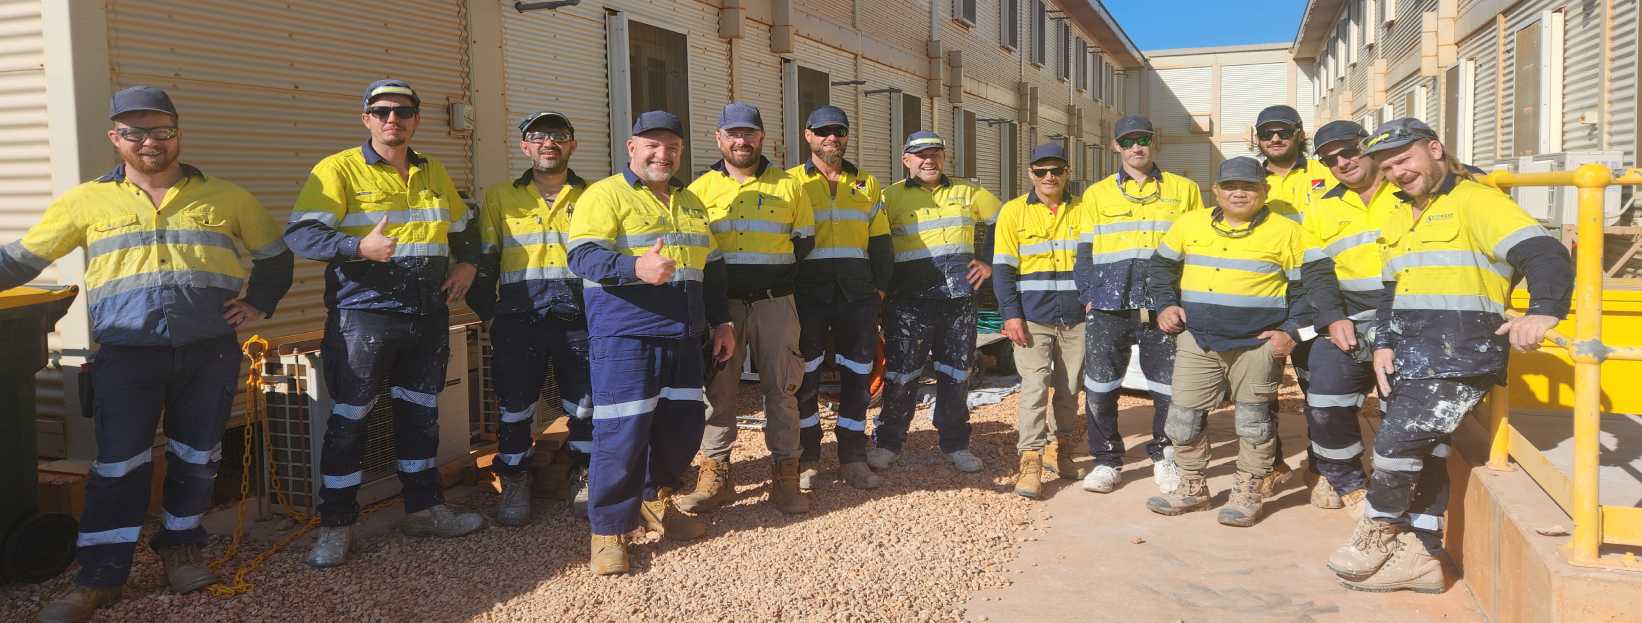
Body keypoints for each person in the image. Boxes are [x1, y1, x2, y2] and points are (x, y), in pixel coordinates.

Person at [0, 86, 293, 623]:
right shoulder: (85, 201)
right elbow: (19, 261)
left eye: (161, 129)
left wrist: (258, 304)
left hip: (208, 353)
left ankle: (181, 551)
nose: (150, 141)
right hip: (127, 357)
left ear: (179, 132)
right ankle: (99, 578)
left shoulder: (229, 198)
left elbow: (276, 258)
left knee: (197, 457)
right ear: (115, 139)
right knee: (117, 465)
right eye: (135, 132)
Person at [1328, 119, 1571, 593]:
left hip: (1461, 352)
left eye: (1404, 159)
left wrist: (1543, 312)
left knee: (1395, 445)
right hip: (1411, 352)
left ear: (1435, 148)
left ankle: (1377, 529)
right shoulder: (1401, 214)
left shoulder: (1476, 201)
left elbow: (1546, 253)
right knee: (1429, 451)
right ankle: (1421, 555)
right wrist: (1383, 342)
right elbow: (1393, 288)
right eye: (1387, 166)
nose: (1397, 172)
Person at [285, 79, 484, 568]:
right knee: (350, 421)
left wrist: (468, 265)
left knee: (421, 415)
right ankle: (335, 526)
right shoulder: (338, 170)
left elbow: (464, 228)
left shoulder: (432, 170)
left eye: (403, 111)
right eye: (382, 111)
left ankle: (424, 509)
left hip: (427, 316)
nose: (392, 119)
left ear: (416, 118)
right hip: (365, 315)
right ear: (366, 117)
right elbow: (302, 235)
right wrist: (357, 247)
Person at [567, 110, 735, 575]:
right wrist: (634, 268)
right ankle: (608, 530)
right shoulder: (604, 195)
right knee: (621, 435)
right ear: (631, 148)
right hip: (627, 337)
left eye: (673, 147)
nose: (663, 154)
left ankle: (656, 499)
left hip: (685, 338)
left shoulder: (692, 202)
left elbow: (712, 269)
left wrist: (721, 322)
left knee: (680, 430)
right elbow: (582, 255)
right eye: (653, 145)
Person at [1143, 157, 1337, 528]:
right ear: (1215, 191)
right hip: (1198, 341)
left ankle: (1248, 492)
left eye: (1249, 187)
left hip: (1256, 344)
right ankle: (1192, 488)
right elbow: (1161, 267)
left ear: (1264, 191)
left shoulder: (1288, 231)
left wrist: (1292, 331)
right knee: (1182, 420)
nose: (1239, 193)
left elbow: (1312, 284)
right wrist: (1166, 304)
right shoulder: (1190, 224)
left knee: (1253, 423)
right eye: (1230, 186)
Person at [677, 103, 815, 515]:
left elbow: (803, 241)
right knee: (718, 391)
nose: (741, 141)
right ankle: (715, 473)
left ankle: (786, 475)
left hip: (775, 303)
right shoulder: (699, 192)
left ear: (762, 137)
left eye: (749, 133)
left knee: (783, 389)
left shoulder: (790, 186)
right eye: (732, 134)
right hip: (723, 308)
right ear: (719, 139)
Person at [466, 111, 594, 525]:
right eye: (538, 136)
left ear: (573, 144)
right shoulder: (501, 196)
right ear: (525, 146)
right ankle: (516, 478)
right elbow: (482, 261)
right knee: (515, 405)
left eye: (558, 135)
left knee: (585, 403)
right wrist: (489, 316)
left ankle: (584, 471)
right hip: (520, 316)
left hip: (580, 316)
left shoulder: (594, 196)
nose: (548, 143)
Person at [1074, 115, 1204, 494]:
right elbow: (1084, 251)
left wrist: (1185, 300)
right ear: (1116, 146)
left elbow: (1195, 247)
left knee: (1167, 390)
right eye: (1128, 141)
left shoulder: (1184, 190)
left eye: (1143, 139)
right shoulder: (1097, 195)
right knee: (1100, 387)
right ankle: (1106, 461)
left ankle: (1164, 457)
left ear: (1153, 141)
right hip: (1109, 306)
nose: (1136, 147)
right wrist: (1087, 296)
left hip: (1162, 307)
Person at [870, 131, 1001, 474]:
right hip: (908, 303)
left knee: (957, 374)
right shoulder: (889, 198)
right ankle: (888, 443)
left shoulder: (968, 192)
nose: (928, 160)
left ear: (944, 158)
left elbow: (1004, 221)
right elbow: (874, 244)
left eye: (935, 154)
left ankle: (955, 443)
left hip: (958, 300)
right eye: (920, 154)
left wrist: (988, 261)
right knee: (901, 375)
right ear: (906, 160)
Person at [1298, 120, 1400, 513]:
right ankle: (1344, 478)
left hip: (1407, 315)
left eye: (1349, 151)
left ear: (1368, 146)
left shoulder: (1407, 191)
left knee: (1399, 406)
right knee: (1324, 400)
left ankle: (1394, 486)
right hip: (1351, 316)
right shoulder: (1322, 210)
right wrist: (1332, 316)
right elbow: (1317, 271)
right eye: (1330, 159)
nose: (1341, 162)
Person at [788, 105, 890, 491]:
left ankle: (852, 457)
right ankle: (808, 458)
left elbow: (880, 241)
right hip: (807, 294)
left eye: (840, 131)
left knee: (858, 376)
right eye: (824, 131)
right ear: (808, 135)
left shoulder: (867, 184)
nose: (833, 137)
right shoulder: (791, 182)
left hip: (857, 295)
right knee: (806, 377)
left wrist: (879, 288)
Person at [1251, 104, 1338, 494]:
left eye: (1283, 132)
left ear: (1300, 134)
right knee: (1260, 386)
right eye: (1267, 132)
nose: (1274, 139)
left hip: (1316, 291)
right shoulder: (1249, 179)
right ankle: (1270, 465)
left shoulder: (1326, 174)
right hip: (1266, 292)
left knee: (1317, 383)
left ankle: (1322, 467)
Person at [994, 143, 1087, 499]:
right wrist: (1010, 314)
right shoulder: (1013, 212)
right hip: (1032, 317)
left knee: (1069, 387)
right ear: (1030, 172)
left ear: (1067, 171)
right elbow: (1003, 270)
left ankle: (1060, 449)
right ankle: (1029, 460)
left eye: (1056, 170)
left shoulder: (1084, 209)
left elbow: (1094, 259)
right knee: (1034, 388)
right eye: (1041, 171)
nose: (1049, 177)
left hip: (1076, 316)